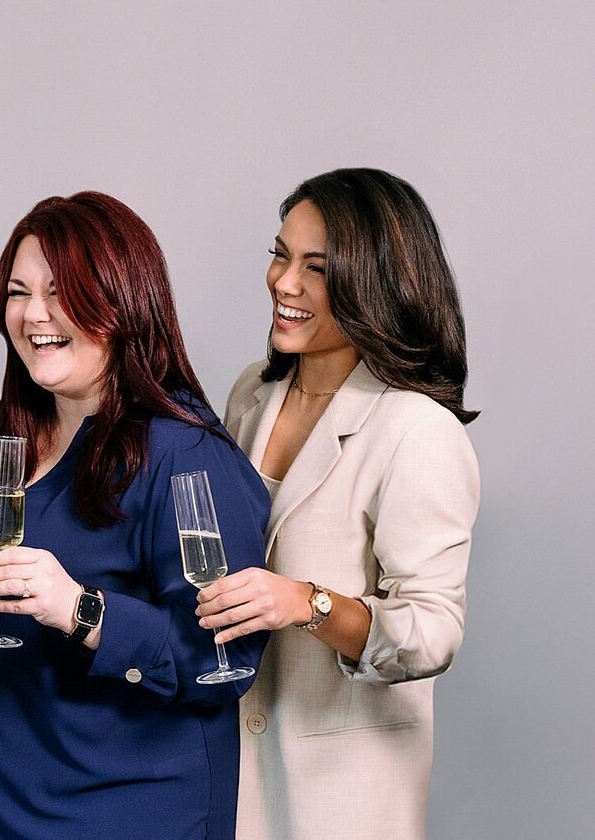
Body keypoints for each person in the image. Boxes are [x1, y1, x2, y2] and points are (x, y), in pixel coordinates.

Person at [0, 192, 270, 839]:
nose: (34, 314)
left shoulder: (184, 453)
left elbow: (219, 661)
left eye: (62, 292)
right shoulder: (9, 431)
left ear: (123, 299)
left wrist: (81, 609)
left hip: (117, 816)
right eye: (18, 291)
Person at [197, 168, 481, 839]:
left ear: (373, 284)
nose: (284, 283)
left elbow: (431, 630)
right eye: (280, 254)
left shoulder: (416, 430)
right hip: (228, 771)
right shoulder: (251, 394)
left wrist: (309, 604)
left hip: (342, 799)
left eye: (316, 268)